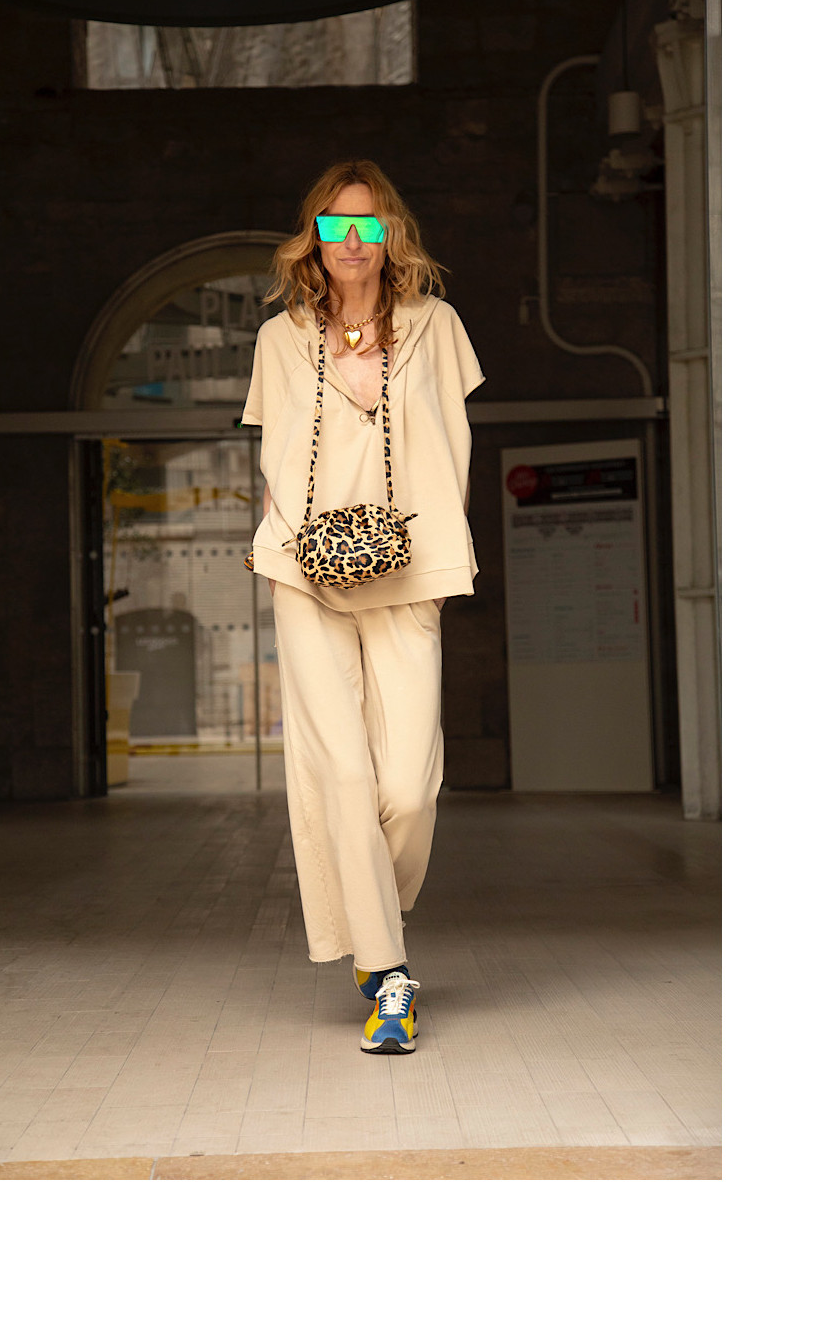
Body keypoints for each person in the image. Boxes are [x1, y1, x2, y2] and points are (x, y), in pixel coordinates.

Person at [240, 159, 483, 1055]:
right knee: (342, 774)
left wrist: (445, 554)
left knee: (409, 788)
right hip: (307, 571)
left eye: (368, 224)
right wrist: (281, 547)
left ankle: (371, 914)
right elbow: (273, 457)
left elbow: (453, 447)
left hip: (406, 567)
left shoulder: (434, 326)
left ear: (391, 235)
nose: (352, 240)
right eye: (336, 224)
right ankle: (389, 974)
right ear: (314, 236)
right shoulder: (279, 339)